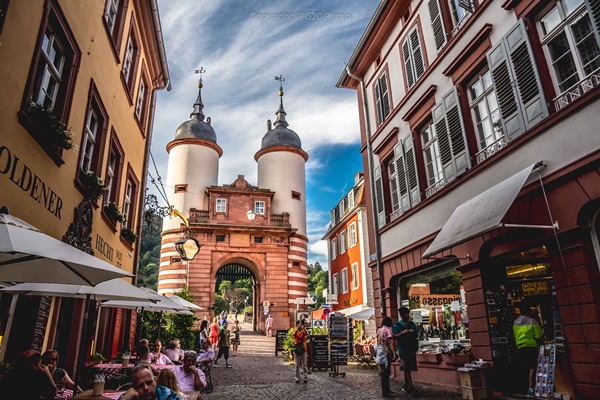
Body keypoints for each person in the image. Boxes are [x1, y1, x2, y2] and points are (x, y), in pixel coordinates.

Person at [513, 310, 543, 397]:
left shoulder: (515, 323)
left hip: (520, 347)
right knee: (532, 367)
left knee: (524, 367)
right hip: (531, 346)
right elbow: (538, 335)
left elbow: (515, 335)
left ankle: (523, 388)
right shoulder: (532, 321)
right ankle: (531, 389)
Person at [393, 307, 419, 396]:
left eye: (408, 313)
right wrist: (402, 333)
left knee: (409, 368)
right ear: (402, 315)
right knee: (406, 367)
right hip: (403, 349)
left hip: (411, 348)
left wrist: (413, 332)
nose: (408, 315)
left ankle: (406, 385)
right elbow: (394, 336)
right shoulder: (397, 325)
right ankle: (410, 386)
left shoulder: (412, 324)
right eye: (406, 314)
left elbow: (417, 334)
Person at [375, 317, 397, 397]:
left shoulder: (379, 330)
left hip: (380, 352)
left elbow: (377, 342)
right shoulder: (387, 330)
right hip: (385, 352)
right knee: (386, 373)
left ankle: (385, 391)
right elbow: (389, 343)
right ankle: (386, 392)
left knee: (383, 372)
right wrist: (394, 353)